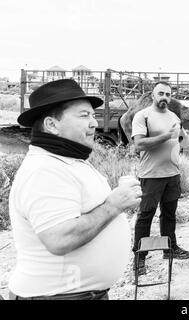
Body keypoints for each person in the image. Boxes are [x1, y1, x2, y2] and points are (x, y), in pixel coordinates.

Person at [8, 79, 142, 300]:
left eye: (92, 115)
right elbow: (60, 239)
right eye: (83, 116)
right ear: (52, 125)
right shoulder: (45, 169)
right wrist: (113, 205)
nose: (93, 123)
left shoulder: (64, 159)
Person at [132, 81, 189, 274]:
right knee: (145, 216)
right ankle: (139, 258)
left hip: (172, 175)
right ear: (153, 95)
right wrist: (166, 136)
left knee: (169, 214)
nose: (164, 97)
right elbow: (139, 145)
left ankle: (170, 249)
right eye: (161, 93)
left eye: (168, 94)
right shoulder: (143, 116)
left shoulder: (174, 116)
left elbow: (187, 141)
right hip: (151, 176)